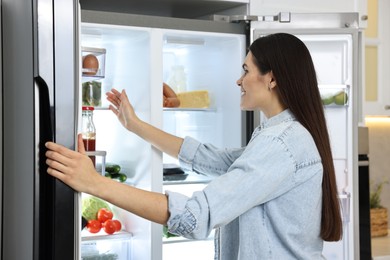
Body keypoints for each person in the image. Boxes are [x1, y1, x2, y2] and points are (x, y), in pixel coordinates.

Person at [45, 33, 342, 259]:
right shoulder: (282, 135)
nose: (239, 80)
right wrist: (136, 126)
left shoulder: (281, 143)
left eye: (246, 70)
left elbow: (194, 217)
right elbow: (212, 159)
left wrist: (95, 183)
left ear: (272, 78)